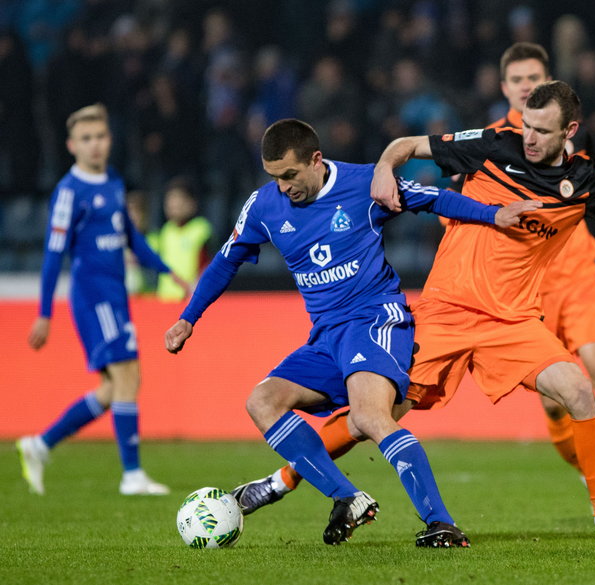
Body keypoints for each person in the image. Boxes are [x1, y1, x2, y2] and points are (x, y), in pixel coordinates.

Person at [232, 82, 595, 546]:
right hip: (443, 313)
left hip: (513, 323)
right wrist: (382, 171)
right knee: (374, 412)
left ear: (571, 130)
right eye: (527, 126)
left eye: (542, 130)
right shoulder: (493, 144)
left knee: (582, 392)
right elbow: (404, 144)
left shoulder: (584, 181)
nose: (529, 137)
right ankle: (279, 481)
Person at [163, 118, 539, 547]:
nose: (284, 187)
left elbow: (431, 199)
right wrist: (189, 318)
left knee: (368, 417)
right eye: (275, 177)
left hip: (374, 320)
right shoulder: (264, 207)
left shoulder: (363, 184)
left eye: (290, 175)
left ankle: (441, 522)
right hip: (325, 337)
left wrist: (494, 214)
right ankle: (348, 497)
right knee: (262, 401)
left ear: (315, 160)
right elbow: (227, 260)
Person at [488, 41, 595, 517]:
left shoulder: (567, 134)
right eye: (519, 79)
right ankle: (591, 468)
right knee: (557, 404)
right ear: (505, 88)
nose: (527, 86)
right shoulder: (492, 144)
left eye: (535, 78)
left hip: (579, 267)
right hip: (529, 284)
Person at [17, 103, 189, 496]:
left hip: (116, 294)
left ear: (109, 140)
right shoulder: (69, 191)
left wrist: (167, 271)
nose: (95, 145)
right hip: (94, 296)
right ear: (72, 145)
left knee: (115, 388)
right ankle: (132, 475)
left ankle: (40, 445)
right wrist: (44, 313)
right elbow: (52, 253)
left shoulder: (112, 181)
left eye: (100, 137)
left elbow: (131, 238)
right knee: (129, 375)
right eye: (86, 139)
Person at [147, 177, 212, 301]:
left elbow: (207, 263)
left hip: (189, 299)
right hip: (164, 298)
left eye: (179, 199)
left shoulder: (201, 228)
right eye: (170, 200)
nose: (174, 204)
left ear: (192, 203)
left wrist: (197, 290)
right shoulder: (166, 230)